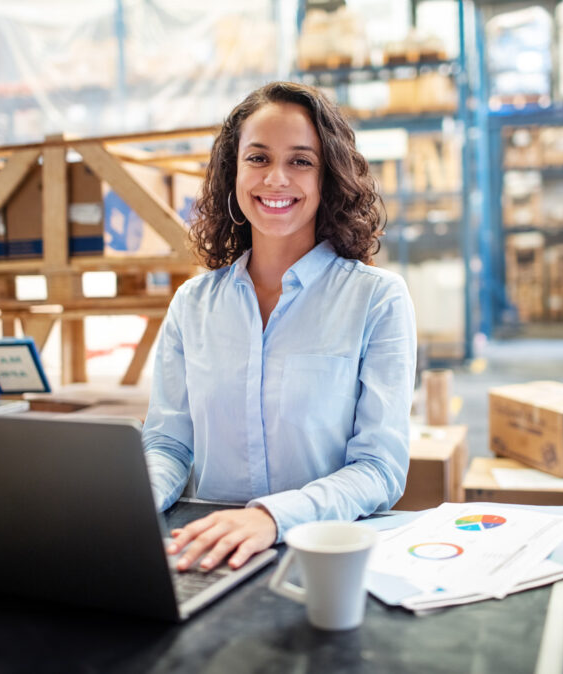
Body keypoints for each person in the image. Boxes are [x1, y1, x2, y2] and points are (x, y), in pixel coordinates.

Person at [142, 81, 417, 574]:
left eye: (300, 161)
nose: (276, 179)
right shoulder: (193, 304)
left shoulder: (376, 299)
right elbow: (168, 443)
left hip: (325, 559)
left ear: (327, 177)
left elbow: (380, 468)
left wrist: (272, 517)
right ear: (233, 172)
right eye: (258, 158)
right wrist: (132, 498)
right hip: (208, 554)